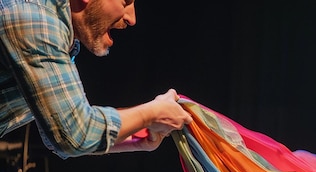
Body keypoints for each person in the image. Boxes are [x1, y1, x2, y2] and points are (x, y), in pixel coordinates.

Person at [0, 0, 193, 158]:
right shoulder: (35, 20)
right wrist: (151, 114)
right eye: (125, 1)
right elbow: (74, 133)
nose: (132, 18)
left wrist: (137, 136)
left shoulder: (59, 30)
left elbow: (56, 133)